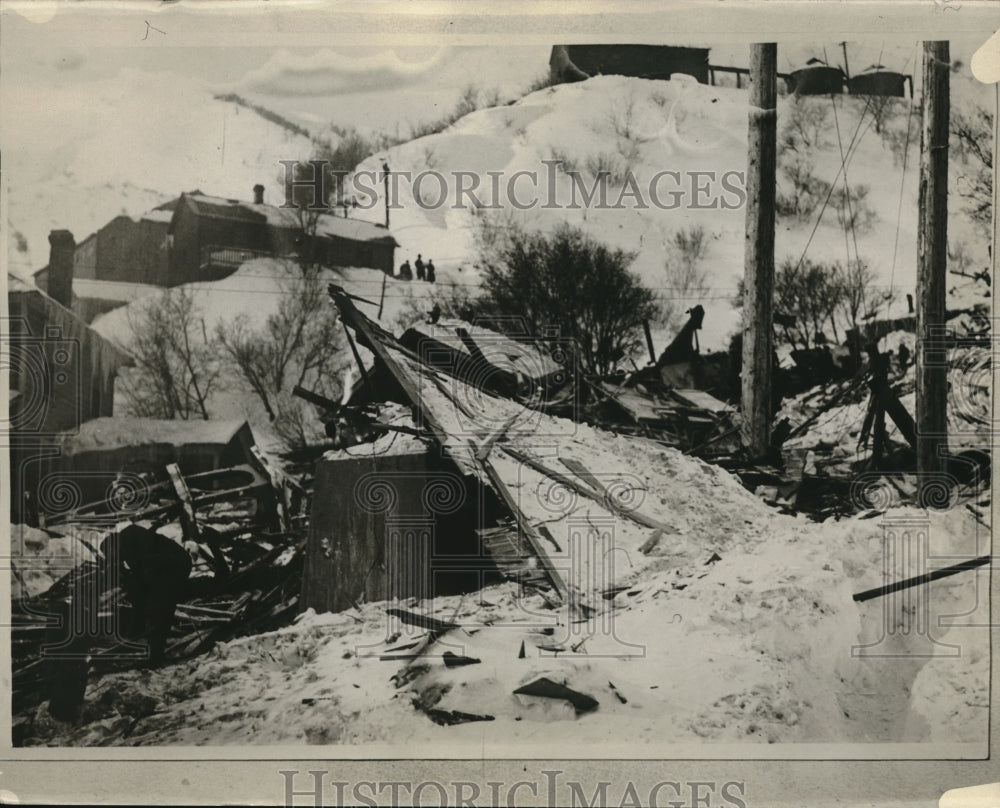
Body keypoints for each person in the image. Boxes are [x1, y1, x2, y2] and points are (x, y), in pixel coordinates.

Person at [100, 524, 192, 666]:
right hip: (162, 569)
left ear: (113, 546)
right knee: (143, 598)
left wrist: (145, 587)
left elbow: (148, 564)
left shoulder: (132, 533)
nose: (115, 559)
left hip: (175, 565)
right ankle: (137, 636)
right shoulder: (126, 550)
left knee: (161, 608)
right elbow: (140, 573)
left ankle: (155, 655)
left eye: (110, 554)